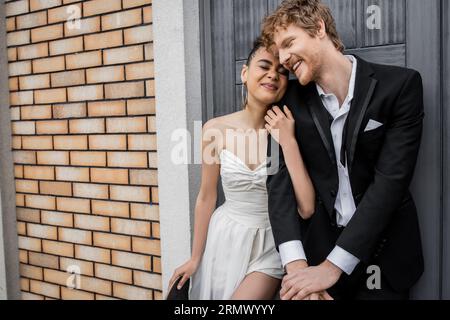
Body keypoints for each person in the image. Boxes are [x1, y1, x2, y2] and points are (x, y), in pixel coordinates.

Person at [262, 0, 424, 300]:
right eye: (278, 52)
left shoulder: (401, 86)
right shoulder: (286, 104)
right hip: (316, 253)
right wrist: (298, 271)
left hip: (384, 257)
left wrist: (333, 267)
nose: (283, 59)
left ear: (319, 28)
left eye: (289, 43)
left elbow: (390, 183)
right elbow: (279, 188)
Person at [167, 38, 316, 300]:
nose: (273, 74)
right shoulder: (214, 129)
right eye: (264, 66)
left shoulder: (288, 130)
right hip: (225, 236)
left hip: (271, 242)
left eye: (282, 72)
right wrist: (194, 257)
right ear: (245, 73)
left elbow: (307, 208)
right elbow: (206, 197)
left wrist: (289, 141)